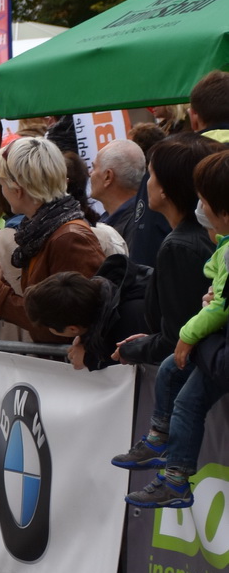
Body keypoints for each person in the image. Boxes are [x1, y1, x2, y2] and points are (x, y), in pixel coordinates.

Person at [113, 148, 229, 509]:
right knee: (172, 380)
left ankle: (175, 474)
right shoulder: (215, 241)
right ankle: (159, 442)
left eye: (206, 201)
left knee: (186, 403)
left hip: (213, 351)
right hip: (212, 348)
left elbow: (217, 309)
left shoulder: (182, 245)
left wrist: (189, 336)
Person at [0, 137, 106, 344]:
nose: (1, 192)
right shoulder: (44, 231)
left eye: (1, 184)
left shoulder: (68, 238)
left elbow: (63, 326)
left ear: (17, 190)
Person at [90, 140, 145, 240]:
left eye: (93, 168)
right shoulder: (142, 219)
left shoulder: (137, 230)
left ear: (108, 177)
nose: (90, 173)